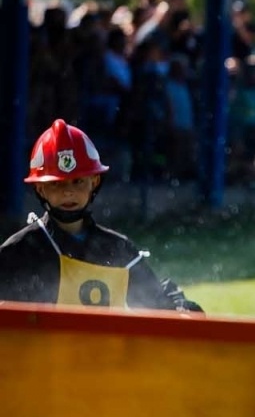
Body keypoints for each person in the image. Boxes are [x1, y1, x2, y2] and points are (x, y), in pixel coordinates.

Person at [0, 120, 200, 311]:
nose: (68, 192)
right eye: (56, 183)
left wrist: (183, 311)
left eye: (77, 181)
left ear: (94, 182)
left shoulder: (117, 250)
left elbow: (159, 303)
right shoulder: (19, 250)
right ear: (40, 189)